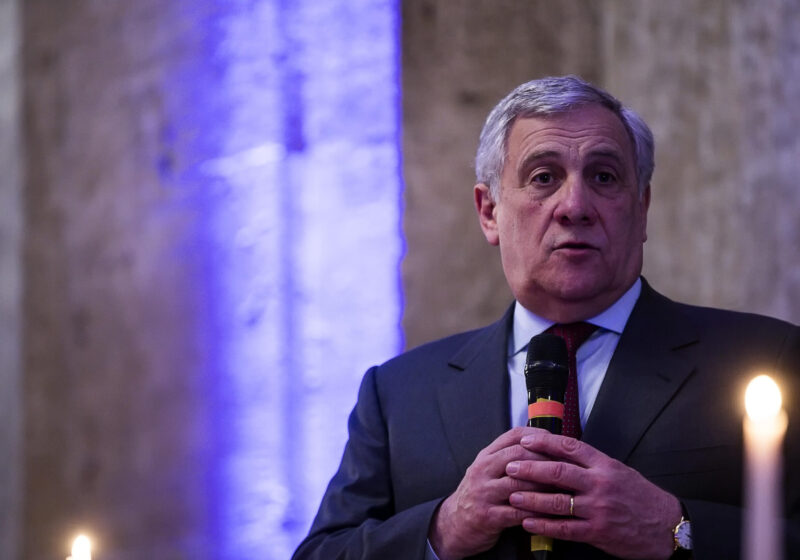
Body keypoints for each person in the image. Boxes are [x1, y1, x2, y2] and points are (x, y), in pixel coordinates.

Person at [292, 76, 800, 559]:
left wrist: (675, 529)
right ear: (489, 212)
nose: (575, 205)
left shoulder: (768, 361)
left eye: (604, 177)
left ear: (641, 207)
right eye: (543, 178)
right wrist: (443, 529)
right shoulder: (398, 394)